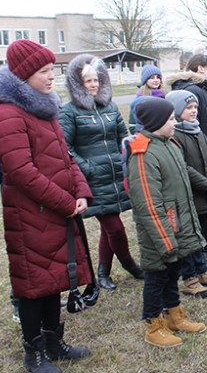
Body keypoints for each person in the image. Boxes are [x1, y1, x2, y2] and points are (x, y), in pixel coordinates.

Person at [0, 39, 92, 372]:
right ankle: (34, 353)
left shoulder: (43, 109)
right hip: (30, 215)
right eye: (45, 72)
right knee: (33, 283)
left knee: (53, 277)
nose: (51, 78)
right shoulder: (5, 114)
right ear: (24, 73)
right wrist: (64, 202)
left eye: (53, 71)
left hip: (56, 211)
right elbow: (21, 171)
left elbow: (65, 156)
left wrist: (81, 192)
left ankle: (53, 341)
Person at [127, 97, 207, 348]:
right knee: (157, 276)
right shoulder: (143, 153)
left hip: (178, 226)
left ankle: (174, 314)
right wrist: (164, 236)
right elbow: (148, 202)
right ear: (156, 122)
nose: (175, 123)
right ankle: (153, 324)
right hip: (160, 230)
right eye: (171, 119)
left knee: (173, 272)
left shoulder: (170, 144)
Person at [59, 54, 143, 291]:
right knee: (114, 227)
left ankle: (103, 272)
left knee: (110, 225)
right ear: (78, 84)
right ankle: (130, 265)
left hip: (115, 175)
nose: (93, 84)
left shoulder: (111, 106)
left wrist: (121, 159)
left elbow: (122, 135)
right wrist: (88, 168)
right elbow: (64, 147)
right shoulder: (69, 111)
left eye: (96, 79)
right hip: (92, 179)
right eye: (87, 81)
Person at [166, 54, 207, 268]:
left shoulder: (204, 90)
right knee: (205, 210)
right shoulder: (193, 91)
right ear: (200, 68)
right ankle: (202, 253)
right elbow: (192, 125)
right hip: (198, 158)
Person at [166, 90, 207, 298]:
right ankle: (189, 277)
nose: (193, 112)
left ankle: (202, 270)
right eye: (189, 108)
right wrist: (205, 184)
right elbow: (183, 167)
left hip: (205, 191)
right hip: (189, 194)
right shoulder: (176, 136)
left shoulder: (197, 131)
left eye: (195, 108)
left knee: (198, 235)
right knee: (188, 236)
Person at [128, 65, 165, 134]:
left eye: (158, 77)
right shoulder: (140, 99)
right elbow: (132, 125)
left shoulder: (165, 96)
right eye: (152, 78)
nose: (156, 80)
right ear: (145, 80)